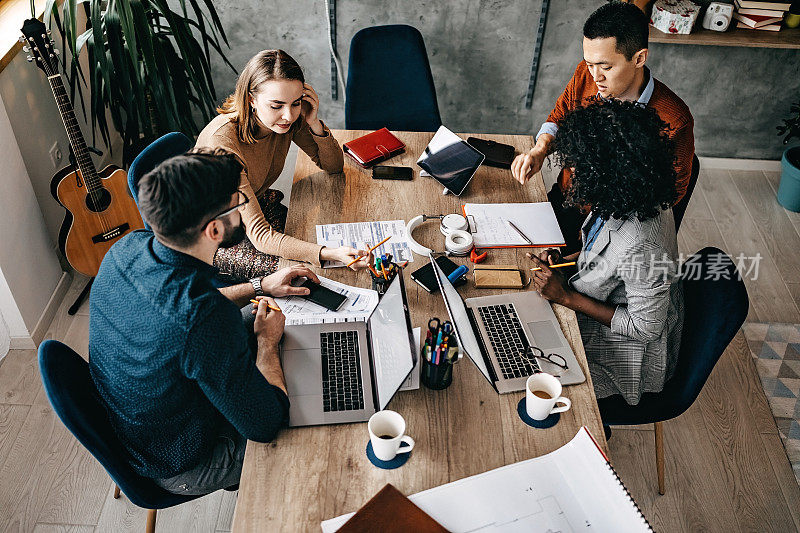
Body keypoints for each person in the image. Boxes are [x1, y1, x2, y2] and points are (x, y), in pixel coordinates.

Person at [89, 150, 318, 495]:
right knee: (312, 429)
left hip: (137, 420)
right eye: (238, 202)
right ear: (214, 228)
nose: (244, 206)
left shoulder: (126, 247)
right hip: (180, 462)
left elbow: (181, 315)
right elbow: (266, 423)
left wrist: (260, 284)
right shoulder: (201, 318)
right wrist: (267, 346)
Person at [528, 100, 684, 406]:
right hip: (599, 302)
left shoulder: (643, 244)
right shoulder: (628, 193)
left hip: (625, 354)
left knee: (528, 374)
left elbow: (645, 329)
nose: (571, 174)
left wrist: (566, 297)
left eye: (578, 168)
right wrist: (567, 259)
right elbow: (605, 252)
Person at [511, 1, 694, 253]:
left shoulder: (674, 119)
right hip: (568, 201)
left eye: (606, 67)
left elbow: (667, 200)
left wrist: (591, 253)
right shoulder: (586, 75)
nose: (595, 76)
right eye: (589, 63)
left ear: (639, 58)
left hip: (618, 229)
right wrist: (540, 150)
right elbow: (560, 117)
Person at [196, 49, 370, 279]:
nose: (288, 115)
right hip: (213, 236)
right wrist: (329, 253)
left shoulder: (288, 120)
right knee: (301, 273)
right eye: (276, 106)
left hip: (253, 208)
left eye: (296, 103)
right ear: (251, 99)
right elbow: (261, 236)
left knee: (313, 238)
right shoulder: (223, 145)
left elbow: (334, 166)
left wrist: (313, 121)